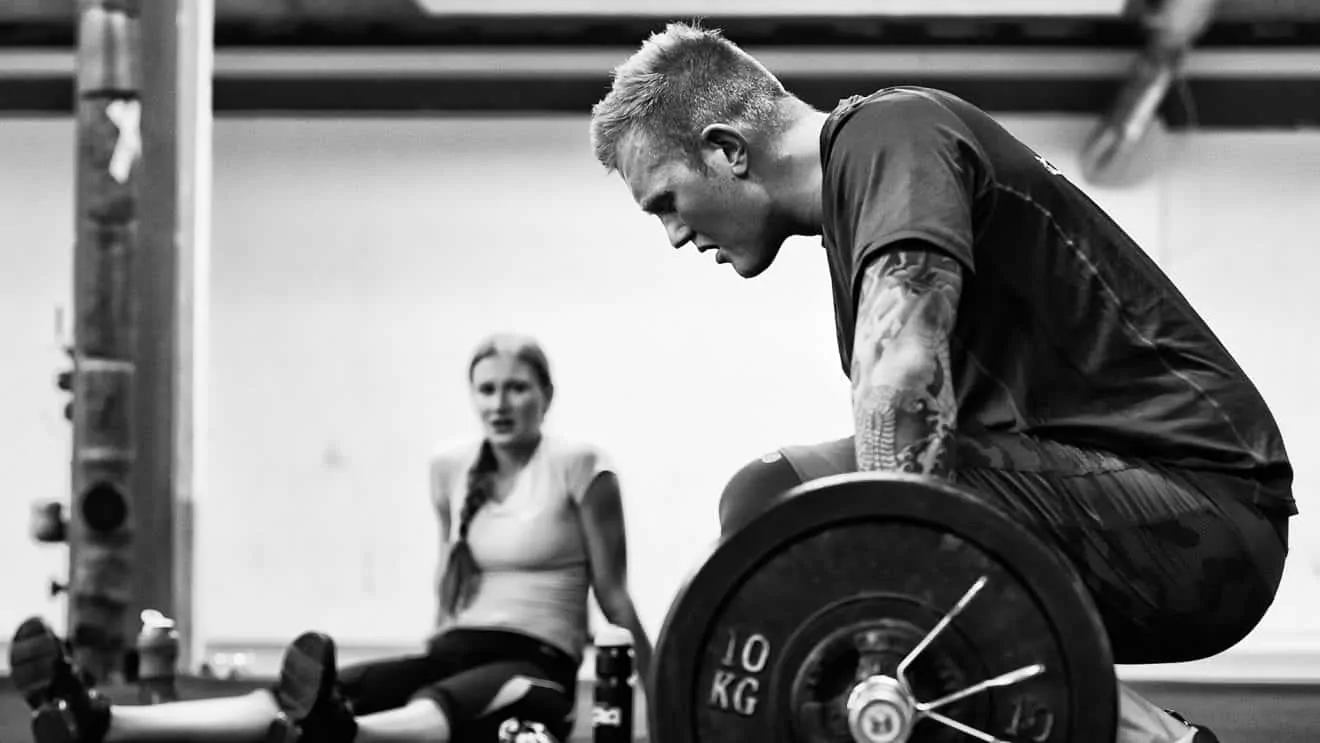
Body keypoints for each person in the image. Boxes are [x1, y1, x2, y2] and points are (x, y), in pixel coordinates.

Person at [589, 21, 1294, 743]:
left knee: (775, 499)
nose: (675, 235)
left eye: (667, 202)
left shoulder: (892, 136)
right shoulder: (865, 188)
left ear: (727, 149)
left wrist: (886, 641)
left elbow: (900, 381)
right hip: (1151, 513)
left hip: (1205, 515)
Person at [11, 332, 653, 743]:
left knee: (437, 701)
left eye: (517, 388)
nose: (500, 403)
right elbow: (446, 587)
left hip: (535, 662)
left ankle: (342, 732)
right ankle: (103, 718)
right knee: (304, 696)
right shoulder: (450, 467)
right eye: (486, 389)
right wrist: (428, 649)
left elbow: (615, 598)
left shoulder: (580, 465)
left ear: (546, 394)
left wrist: (664, 699)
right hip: (454, 645)